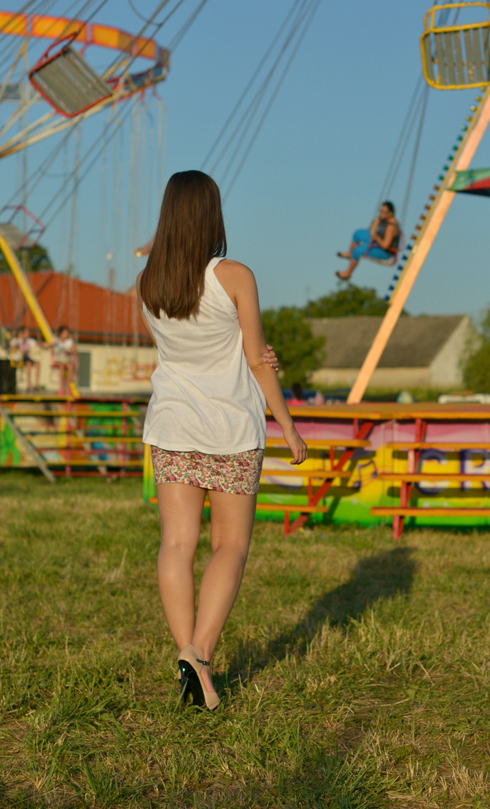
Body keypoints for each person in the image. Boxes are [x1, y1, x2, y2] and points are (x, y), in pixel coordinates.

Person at [137, 170, 307, 711]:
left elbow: (178, 352)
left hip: (172, 426)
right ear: (211, 215)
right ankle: (201, 655)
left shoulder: (146, 283)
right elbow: (256, 359)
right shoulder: (234, 276)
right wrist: (287, 423)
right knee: (229, 546)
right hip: (231, 430)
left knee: (176, 544)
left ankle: (186, 656)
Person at [336, 202, 400, 280]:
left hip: (386, 253)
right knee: (357, 234)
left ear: (390, 213)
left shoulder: (391, 227)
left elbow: (385, 245)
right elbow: (372, 229)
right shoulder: (383, 219)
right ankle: (350, 253)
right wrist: (375, 224)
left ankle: (348, 273)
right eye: (380, 211)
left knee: (356, 251)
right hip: (378, 241)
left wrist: (375, 236)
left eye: (384, 212)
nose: (381, 214)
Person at [51, 325, 77, 395]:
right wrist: (43, 345)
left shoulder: (69, 341)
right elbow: (50, 345)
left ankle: (68, 388)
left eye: (67, 333)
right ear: (61, 333)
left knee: (70, 366)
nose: (66, 335)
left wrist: (68, 351)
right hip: (58, 360)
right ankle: (61, 388)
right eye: (65, 333)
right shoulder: (56, 340)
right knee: (61, 366)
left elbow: (74, 351)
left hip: (66, 360)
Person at [17, 326, 40, 392]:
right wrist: (20, 338)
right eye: (26, 333)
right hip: (21, 358)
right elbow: (13, 345)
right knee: (28, 364)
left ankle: (36, 384)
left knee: (37, 364)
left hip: (29, 357)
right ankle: (28, 385)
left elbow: (37, 345)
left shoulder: (30, 341)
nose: (27, 334)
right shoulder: (19, 340)